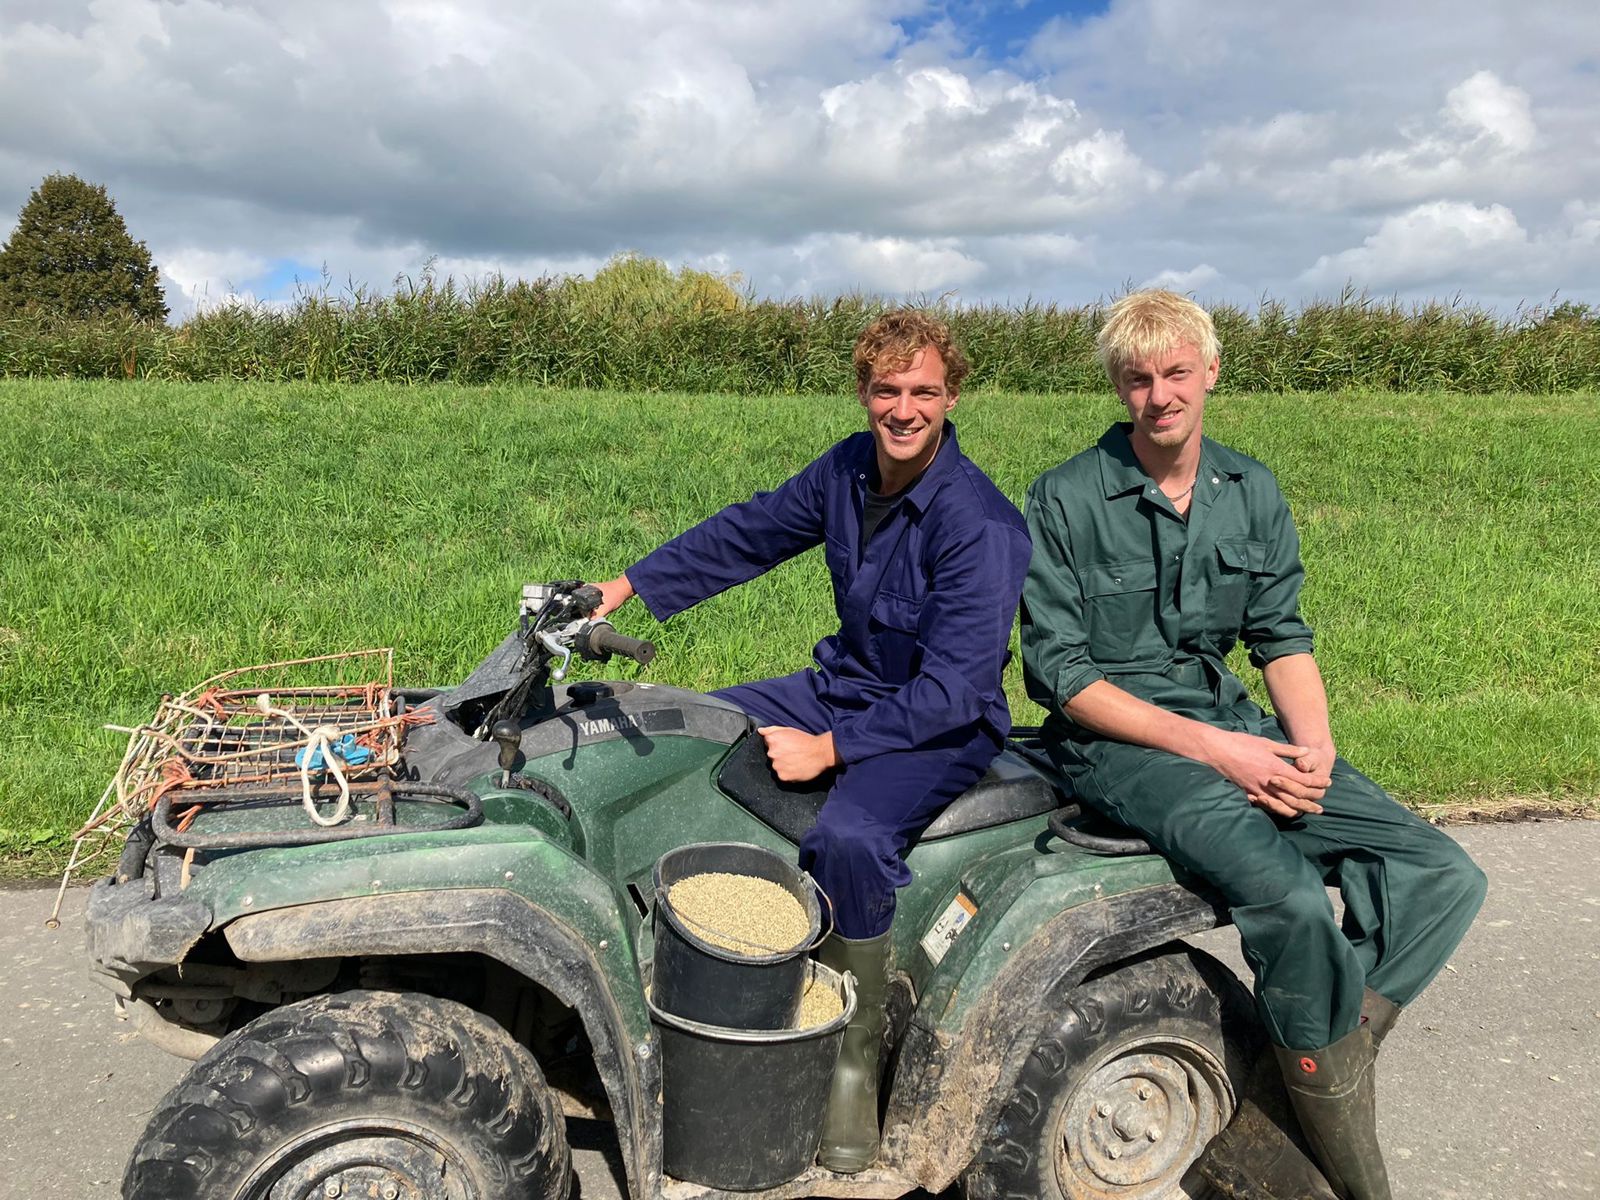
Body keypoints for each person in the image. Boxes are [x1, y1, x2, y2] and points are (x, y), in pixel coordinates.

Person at [1019, 290, 1486, 1200]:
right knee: (1291, 904)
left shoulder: (1250, 490)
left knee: (1442, 874)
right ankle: (1349, 1179)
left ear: (1211, 371)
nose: (1160, 395)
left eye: (1177, 373)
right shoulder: (1068, 496)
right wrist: (1220, 754)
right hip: (1120, 746)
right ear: (1120, 386)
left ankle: (1296, 1072)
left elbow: (1282, 637)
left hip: (1237, 725)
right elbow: (1063, 678)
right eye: (1140, 378)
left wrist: (1310, 752)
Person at [593, 310, 1031, 1173]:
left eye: (924, 392)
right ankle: (698, 982)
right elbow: (751, 531)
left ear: (951, 395)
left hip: (939, 722)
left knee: (851, 837)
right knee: (696, 732)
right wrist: (626, 586)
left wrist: (833, 752)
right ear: (863, 391)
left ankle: (846, 1085)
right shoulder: (846, 469)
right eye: (887, 390)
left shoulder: (978, 524)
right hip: (849, 684)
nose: (904, 410)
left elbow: (954, 688)